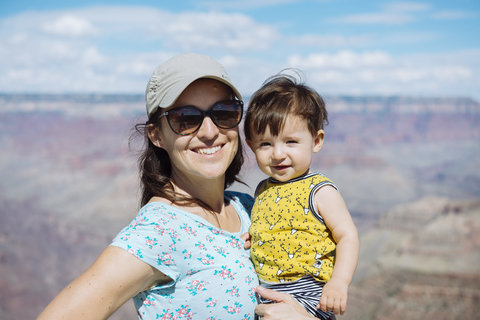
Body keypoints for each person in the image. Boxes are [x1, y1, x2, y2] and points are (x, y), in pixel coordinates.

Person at [36, 53, 321, 320]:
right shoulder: (159, 232)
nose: (209, 132)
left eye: (223, 112)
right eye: (185, 118)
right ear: (156, 135)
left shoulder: (248, 206)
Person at [244, 72, 360, 319]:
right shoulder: (263, 189)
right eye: (265, 144)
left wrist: (339, 282)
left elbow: (347, 236)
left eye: (291, 141)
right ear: (251, 144)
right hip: (266, 292)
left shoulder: (320, 191)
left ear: (316, 141)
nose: (277, 154)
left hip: (309, 295)